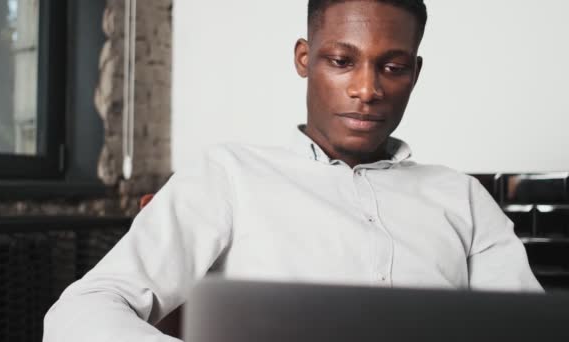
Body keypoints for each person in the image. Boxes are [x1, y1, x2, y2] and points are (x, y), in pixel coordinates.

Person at [43, 1, 542, 341]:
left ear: (415, 72)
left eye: (393, 66)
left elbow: (530, 331)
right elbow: (80, 313)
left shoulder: (463, 198)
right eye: (343, 61)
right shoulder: (229, 175)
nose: (367, 89)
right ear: (305, 60)